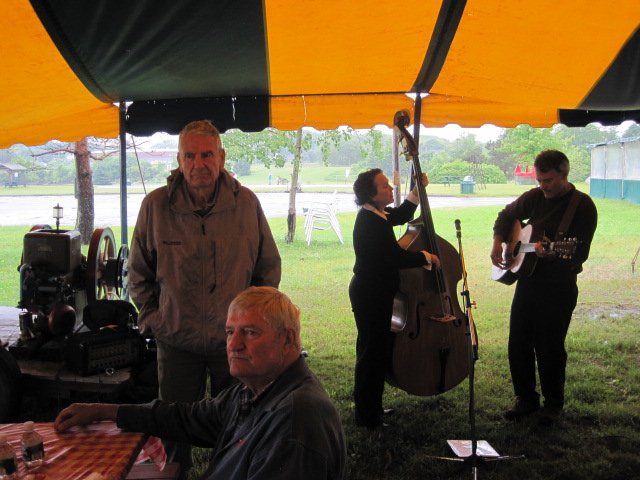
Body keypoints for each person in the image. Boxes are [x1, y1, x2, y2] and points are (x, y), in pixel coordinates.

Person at [55, 287, 346, 480]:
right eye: (230, 332)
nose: (233, 344)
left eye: (250, 332)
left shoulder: (295, 421)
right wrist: (107, 412)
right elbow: (187, 417)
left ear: (288, 340)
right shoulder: (256, 391)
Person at [127, 120, 281, 474]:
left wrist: (252, 325)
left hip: (237, 343)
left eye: (207, 155)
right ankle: (174, 473)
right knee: (172, 425)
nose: (199, 164)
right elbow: (138, 274)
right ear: (179, 160)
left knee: (241, 424)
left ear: (222, 157)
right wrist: (156, 320)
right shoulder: (155, 207)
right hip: (177, 341)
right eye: (191, 156)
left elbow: (268, 269)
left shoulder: (246, 204)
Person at [490, 149, 597, 425]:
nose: (542, 186)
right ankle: (525, 399)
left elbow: (579, 252)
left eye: (547, 180)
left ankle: (553, 405)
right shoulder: (534, 197)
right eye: (539, 180)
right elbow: (506, 215)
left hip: (558, 286)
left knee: (549, 346)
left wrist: (552, 253)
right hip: (528, 283)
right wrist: (499, 243)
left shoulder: (582, 206)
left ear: (564, 174)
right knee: (518, 343)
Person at [349, 168, 440, 429]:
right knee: (370, 354)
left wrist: (416, 190)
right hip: (369, 295)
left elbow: (401, 215)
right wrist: (425, 257)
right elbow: (394, 257)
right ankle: (367, 417)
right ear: (371, 194)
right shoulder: (370, 222)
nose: (390, 189)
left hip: (376, 292)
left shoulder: (377, 213)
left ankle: (373, 409)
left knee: (375, 352)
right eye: (385, 186)